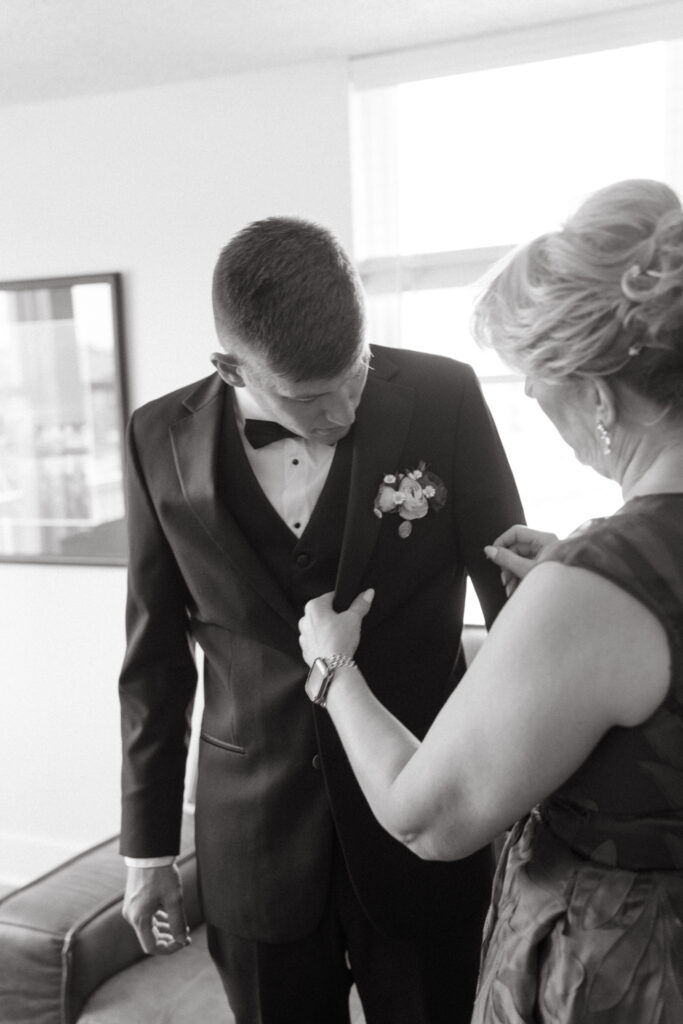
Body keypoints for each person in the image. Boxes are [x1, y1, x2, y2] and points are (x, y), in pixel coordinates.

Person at [118, 215, 524, 1024]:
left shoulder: (444, 397)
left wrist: (525, 795)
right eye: (308, 396)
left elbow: (509, 608)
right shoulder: (156, 437)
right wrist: (148, 847)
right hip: (253, 845)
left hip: (424, 828)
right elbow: (155, 656)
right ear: (230, 365)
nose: (343, 408)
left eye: (356, 372)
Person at [298, 179, 683, 1023]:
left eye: (534, 382)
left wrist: (332, 667)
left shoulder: (599, 587)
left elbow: (423, 819)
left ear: (597, 394)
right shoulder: (611, 581)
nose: (534, 405)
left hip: (631, 973)